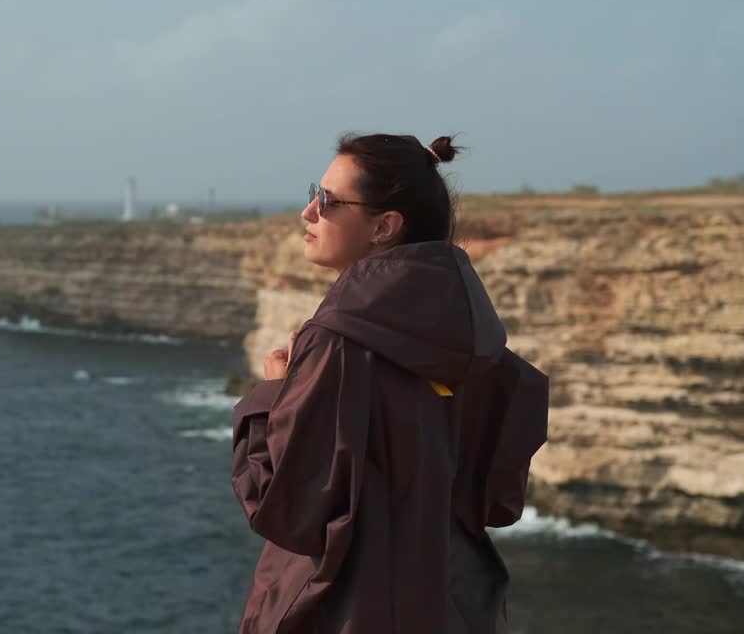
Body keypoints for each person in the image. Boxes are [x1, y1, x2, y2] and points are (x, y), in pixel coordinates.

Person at [231, 133, 549, 633]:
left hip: (343, 610)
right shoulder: (476, 341)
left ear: (385, 226)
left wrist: (273, 394)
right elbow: (498, 498)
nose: (308, 212)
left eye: (329, 200)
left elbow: (285, 508)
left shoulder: (337, 341)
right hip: (452, 605)